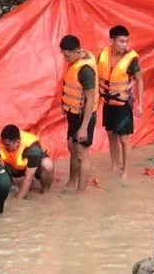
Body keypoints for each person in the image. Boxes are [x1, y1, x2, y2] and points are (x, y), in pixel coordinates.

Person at [97, 25, 144, 179]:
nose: (125, 45)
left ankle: (125, 172)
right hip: (108, 103)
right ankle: (114, 165)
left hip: (123, 105)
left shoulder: (132, 59)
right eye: (121, 42)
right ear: (112, 40)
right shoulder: (103, 55)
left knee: (124, 139)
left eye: (126, 42)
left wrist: (141, 105)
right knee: (111, 135)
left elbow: (139, 80)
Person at [59, 34, 98, 195]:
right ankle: (71, 182)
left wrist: (84, 127)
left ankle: (80, 192)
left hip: (84, 116)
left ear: (76, 52)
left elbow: (89, 100)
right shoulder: (76, 60)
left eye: (67, 55)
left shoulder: (86, 71)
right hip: (73, 113)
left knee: (82, 152)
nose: (65, 58)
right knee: (72, 147)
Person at [0, 125, 54, 200]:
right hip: (14, 167)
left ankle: (45, 192)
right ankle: (11, 186)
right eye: (3, 144)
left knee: (47, 165)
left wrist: (19, 199)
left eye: (7, 145)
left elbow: (28, 177)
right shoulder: (0, 145)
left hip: (33, 167)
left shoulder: (33, 150)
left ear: (17, 142)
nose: (4, 147)